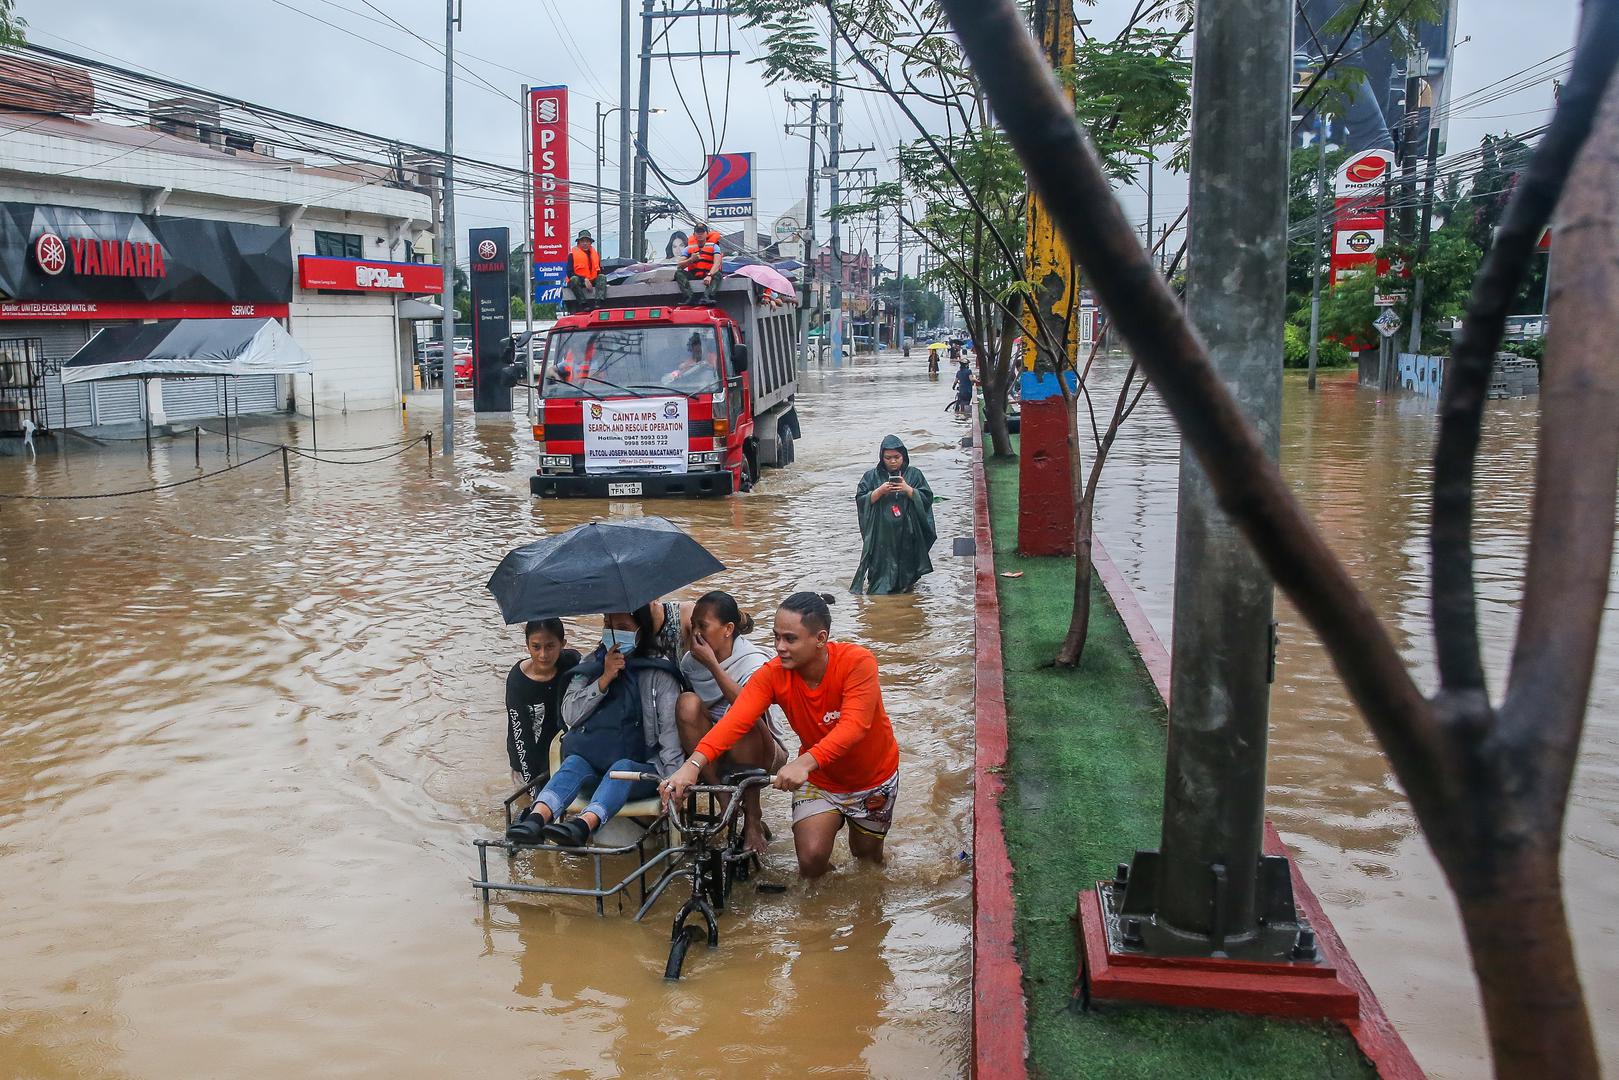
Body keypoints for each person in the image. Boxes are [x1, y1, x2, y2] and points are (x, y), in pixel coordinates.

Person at [661, 592, 900, 879]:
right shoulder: (773, 674)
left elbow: (854, 727)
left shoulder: (857, 662)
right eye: (776, 637)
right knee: (811, 862)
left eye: (790, 639)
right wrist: (692, 766)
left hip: (871, 780)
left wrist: (804, 763)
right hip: (820, 780)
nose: (779, 647)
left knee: (867, 861)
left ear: (820, 639)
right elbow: (736, 720)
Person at [505, 609, 683, 847]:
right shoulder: (590, 665)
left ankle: (583, 825)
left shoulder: (658, 674)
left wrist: (672, 784)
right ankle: (536, 818)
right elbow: (569, 714)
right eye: (608, 624)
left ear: (641, 630)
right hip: (593, 761)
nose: (614, 633)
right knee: (573, 763)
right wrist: (603, 679)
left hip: (641, 770)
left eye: (623, 627)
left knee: (620, 769)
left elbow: (671, 738)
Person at [676, 591, 790, 854]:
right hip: (712, 749)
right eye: (693, 626)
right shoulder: (691, 663)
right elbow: (693, 715)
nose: (696, 633)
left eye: (703, 626)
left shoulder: (754, 662)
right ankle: (726, 800)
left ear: (728, 629)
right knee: (686, 702)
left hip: (760, 747)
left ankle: (752, 817)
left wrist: (714, 665)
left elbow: (747, 708)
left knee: (742, 720)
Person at [503, 620, 582, 837]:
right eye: (536, 647)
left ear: (562, 644)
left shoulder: (571, 663)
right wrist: (532, 786)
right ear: (527, 646)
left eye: (550, 646)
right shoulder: (518, 681)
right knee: (529, 813)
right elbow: (521, 737)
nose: (543, 655)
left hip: (562, 754)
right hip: (527, 760)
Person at [851, 435, 937, 595]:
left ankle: (906, 591)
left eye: (896, 457)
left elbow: (927, 498)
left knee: (907, 571)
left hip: (907, 531)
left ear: (903, 456)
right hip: (881, 535)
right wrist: (879, 491)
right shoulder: (871, 476)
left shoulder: (914, 475)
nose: (892, 461)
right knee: (879, 570)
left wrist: (909, 490)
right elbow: (861, 500)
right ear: (881, 457)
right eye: (888, 458)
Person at [676, 221, 724, 305]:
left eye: (702, 232)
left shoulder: (714, 247)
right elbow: (680, 264)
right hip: (694, 275)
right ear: (694, 234)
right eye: (698, 232)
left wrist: (709, 275)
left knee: (718, 274)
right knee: (678, 272)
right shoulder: (688, 249)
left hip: (708, 274)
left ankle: (707, 297)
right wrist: (691, 259)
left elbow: (717, 263)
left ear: (707, 234)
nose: (700, 234)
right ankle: (689, 297)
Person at [565, 230, 607, 311]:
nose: (585, 243)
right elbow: (570, 273)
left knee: (602, 277)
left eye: (587, 241)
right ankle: (583, 303)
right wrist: (584, 279)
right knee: (574, 279)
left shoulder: (595, 254)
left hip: (591, 280)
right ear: (578, 243)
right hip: (579, 282)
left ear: (590, 243)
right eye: (582, 241)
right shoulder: (572, 254)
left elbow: (599, 271)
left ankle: (598, 302)